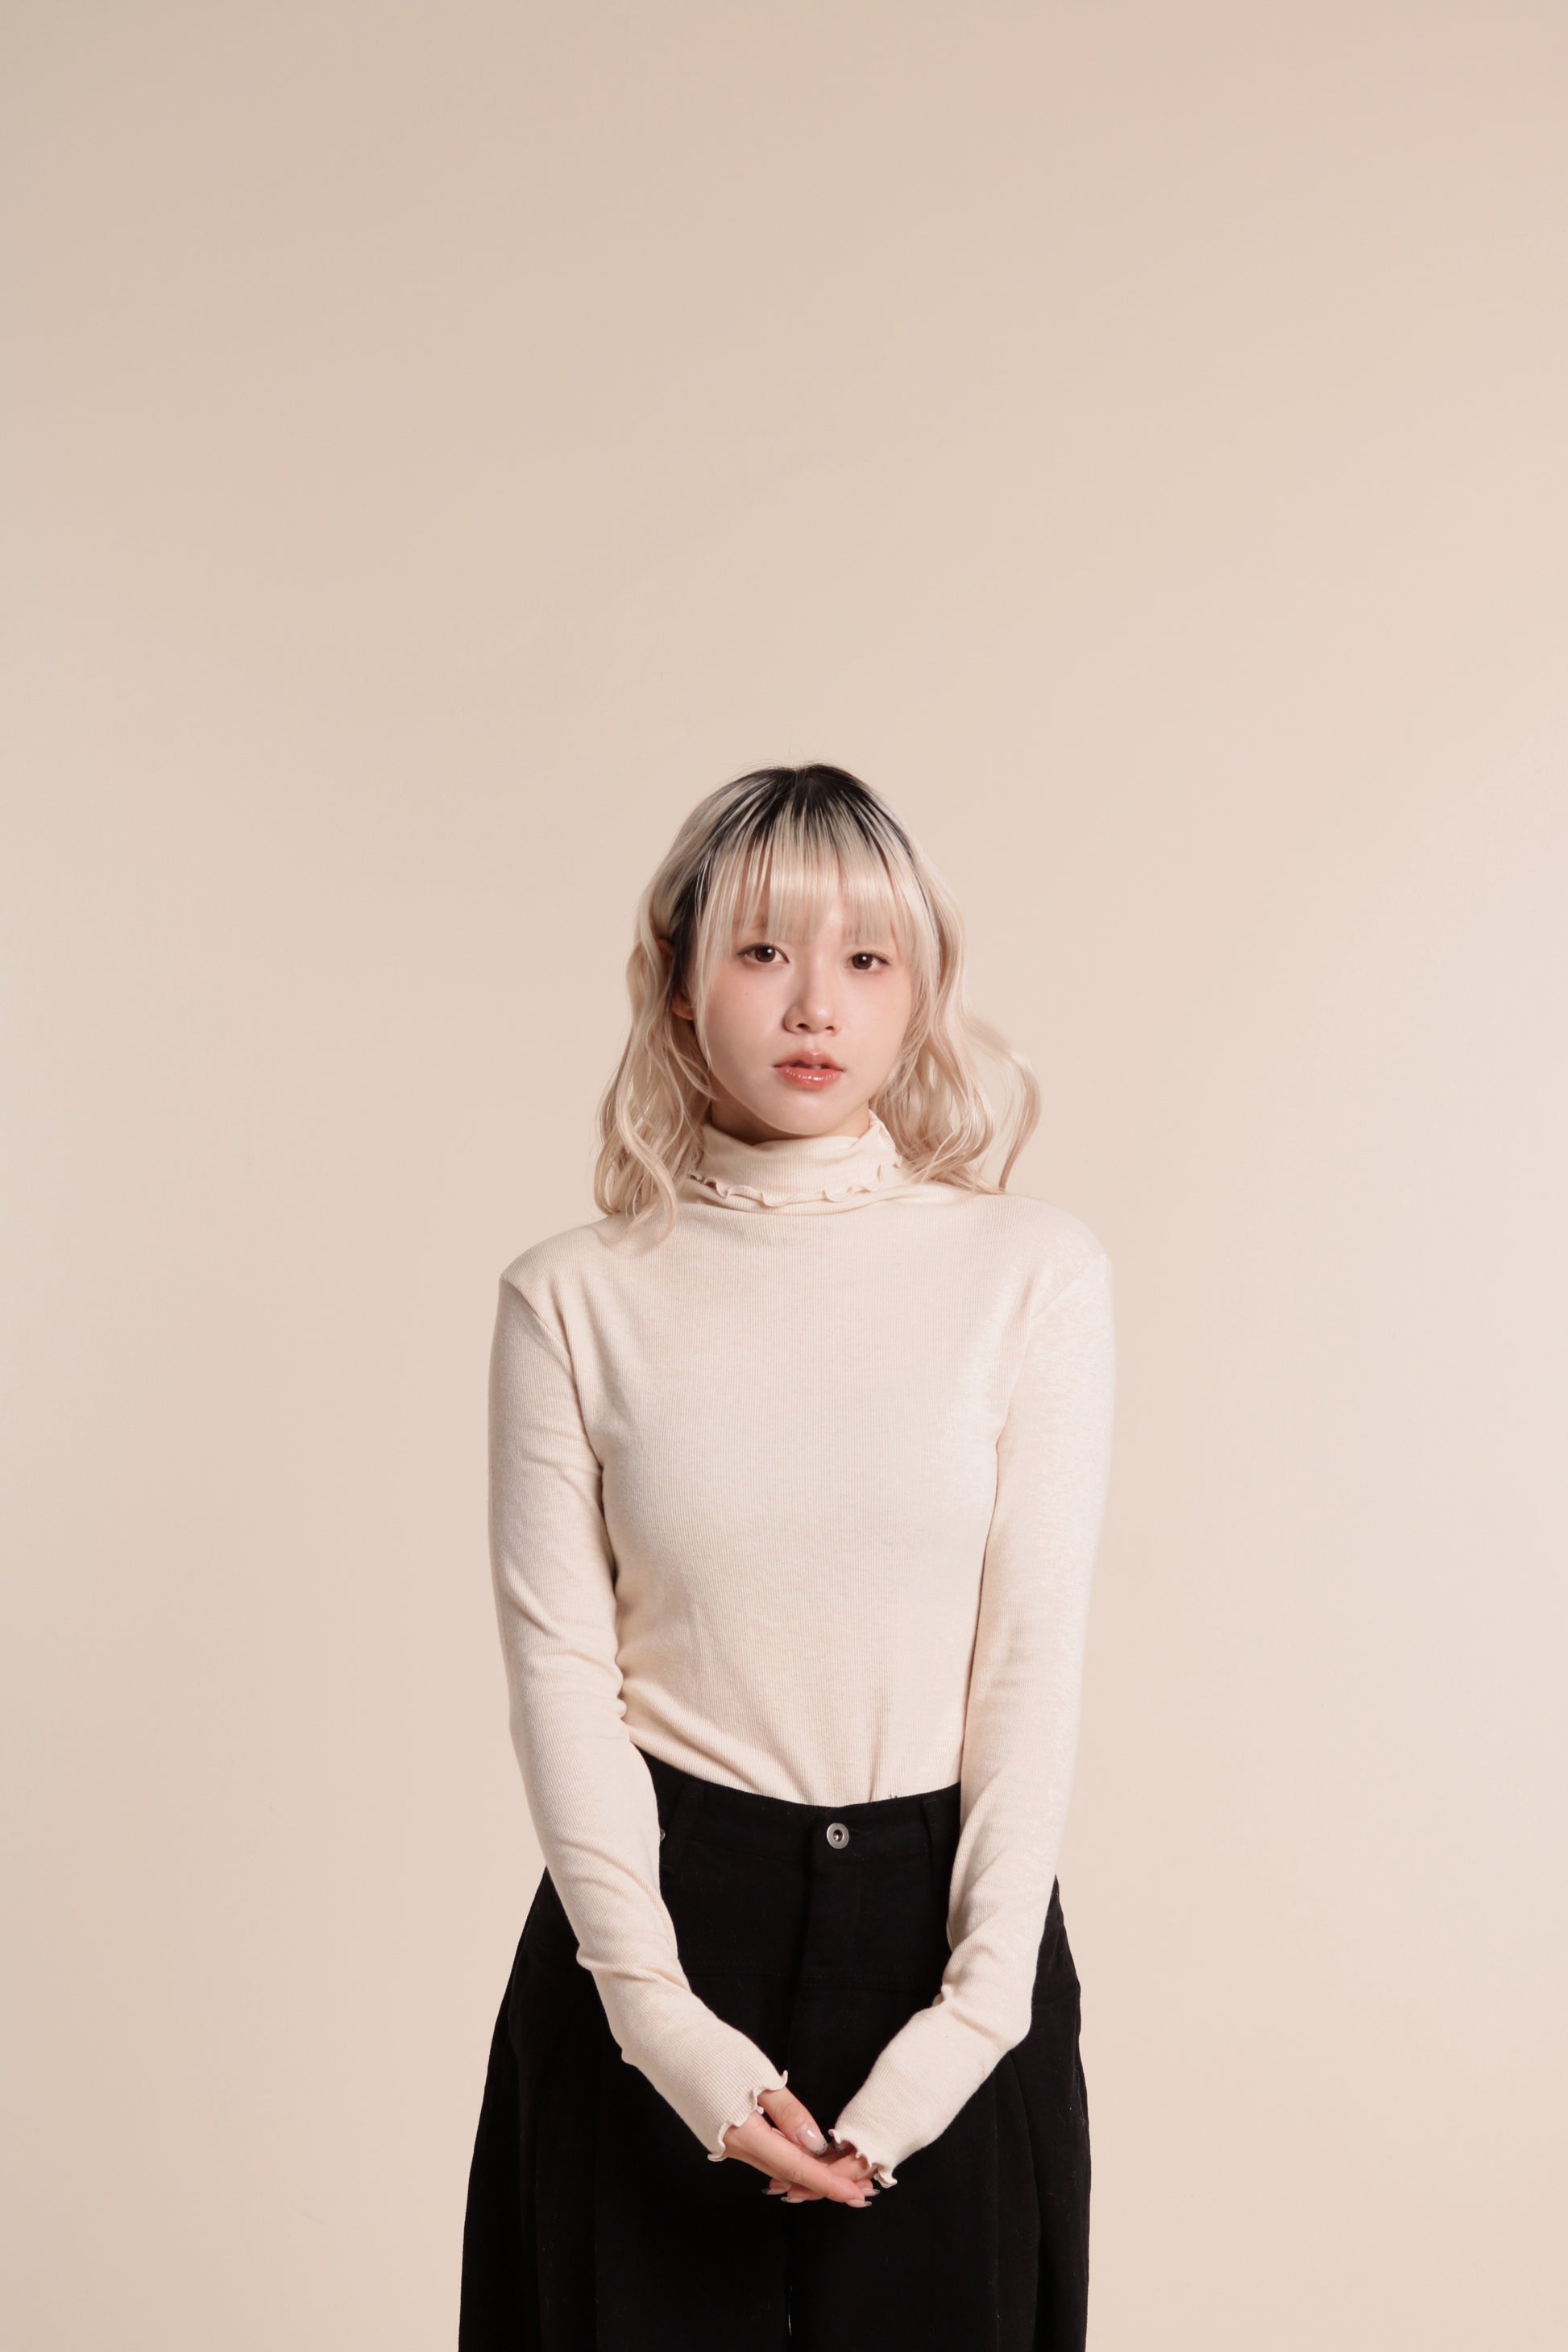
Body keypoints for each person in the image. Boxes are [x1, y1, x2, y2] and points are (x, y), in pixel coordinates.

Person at [458, 764, 1116, 2350]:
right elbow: (561, 1675)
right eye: (762, 950)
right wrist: (664, 2030)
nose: (815, 1003)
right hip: (651, 1942)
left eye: (866, 958)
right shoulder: (572, 1296)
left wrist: (971, 2022)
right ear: (679, 982)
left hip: (954, 1947)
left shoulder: (1029, 1273)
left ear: (920, 993)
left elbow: (1029, 1658)